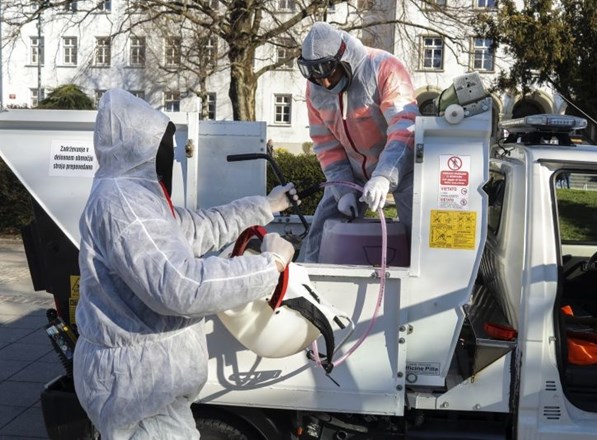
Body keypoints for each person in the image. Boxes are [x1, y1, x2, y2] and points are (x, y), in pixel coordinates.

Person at [73, 88, 298, 439]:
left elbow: (194, 228)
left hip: (146, 384)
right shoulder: (124, 205)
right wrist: (269, 266)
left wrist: (266, 206)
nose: (168, 155)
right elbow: (181, 285)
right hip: (139, 390)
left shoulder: (136, 195)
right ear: (139, 146)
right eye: (162, 146)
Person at [296, 22, 419, 263]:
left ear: (344, 59)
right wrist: (342, 191)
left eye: (330, 74)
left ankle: (416, 294)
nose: (326, 85)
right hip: (350, 174)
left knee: (418, 238)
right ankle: (303, 291)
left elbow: (404, 127)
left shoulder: (384, 68)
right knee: (321, 231)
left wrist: (384, 175)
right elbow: (325, 144)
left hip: (404, 170)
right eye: (318, 79)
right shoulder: (315, 90)